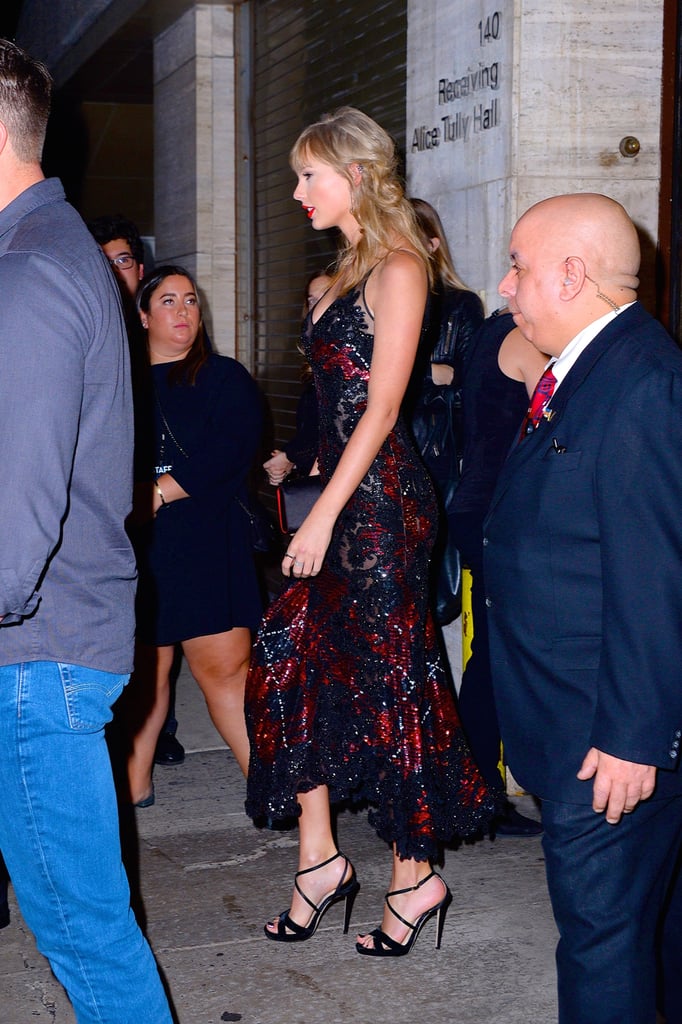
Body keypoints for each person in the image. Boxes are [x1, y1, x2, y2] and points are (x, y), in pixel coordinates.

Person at [245, 106, 494, 957]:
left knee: (395, 680)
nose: (296, 190)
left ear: (353, 174)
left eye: (308, 174)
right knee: (290, 652)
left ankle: (415, 873)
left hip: (383, 507)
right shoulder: (348, 266)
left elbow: (385, 408)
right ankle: (320, 858)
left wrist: (321, 513)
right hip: (342, 499)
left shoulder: (397, 264)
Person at [0, 39, 172, 1023]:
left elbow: (13, 527)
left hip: (35, 649)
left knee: (84, 931)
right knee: (83, 921)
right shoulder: (53, 251)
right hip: (53, 642)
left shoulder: (28, 273)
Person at [482, 193, 682, 1023]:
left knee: (601, 946)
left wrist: (634, 737)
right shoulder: (594, 366)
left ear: (573, 275)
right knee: (644, 936)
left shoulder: (640, 382)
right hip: (579, 720)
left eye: (520, 266)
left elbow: (657, 575)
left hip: (607, 742)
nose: (504, 285)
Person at [122, 265, 264, 806]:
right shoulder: (121, 381)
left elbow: (232, 449)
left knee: (226, 675)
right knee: (143, 677)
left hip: (206, 540)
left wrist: (157, 492)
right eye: (168, 302)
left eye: (191, 302)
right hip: (139, 546)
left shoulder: (223, 377)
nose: (183, 313)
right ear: (143, 316)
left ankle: (270, 786)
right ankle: (134, 786)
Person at [88, 213, 185, 768]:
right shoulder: (91, 319)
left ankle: (157, 728)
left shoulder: (154, 325)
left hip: (162, 495)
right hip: (109, 492)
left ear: (138, 269)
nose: (113, 272)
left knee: (162, 616)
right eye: (103, 262)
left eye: (122, 261)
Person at [449, 308, 546, 837]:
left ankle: (479, 794)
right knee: (500, 663)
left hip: (479, 508)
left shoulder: (490, 330)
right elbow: (553, 417)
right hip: (500, 514)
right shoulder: (523, 337)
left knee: (489, 660)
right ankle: (484, 795)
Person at [406, 198, 484, 626]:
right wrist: (429, 373)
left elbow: (470, 382)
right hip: (386, 449)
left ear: (433, 244)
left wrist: (441, 375)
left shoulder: (459, 304)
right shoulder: (376, 299)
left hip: (434, 454)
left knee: (432, 590)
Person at [263, 270, 329, 486]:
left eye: (327, 296)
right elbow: (316, 429)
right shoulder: (318, 357)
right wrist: (291, 458)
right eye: (312, 300)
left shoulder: (351, 359)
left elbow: (340, 431)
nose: (318, 306)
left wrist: (291, 455)